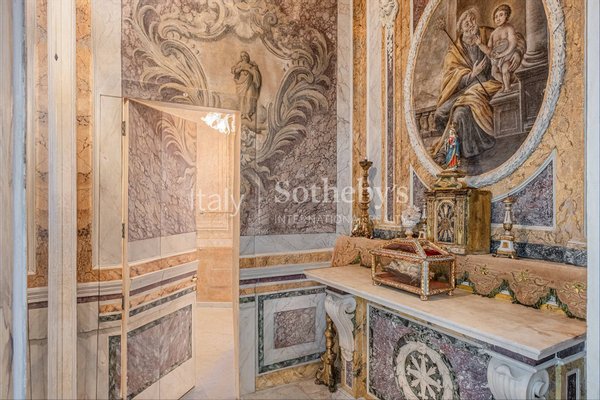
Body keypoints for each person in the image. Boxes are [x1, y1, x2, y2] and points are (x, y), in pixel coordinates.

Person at [432, 7, 524, 164]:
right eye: (466, 23)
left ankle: (446, 151)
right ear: (461, 28)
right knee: (440, 113)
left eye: (472, 20)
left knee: (460, 112)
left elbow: (515, 38)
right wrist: (472, 74)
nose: (470, 25)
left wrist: (517, 52)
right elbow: (450, 78)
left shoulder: (486, 34)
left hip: (491, 84)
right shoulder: (454, 51)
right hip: (466, 88)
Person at [476, 4, 525, 93]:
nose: (498, 18)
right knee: (494, 73)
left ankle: (507, 88)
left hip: (508, 55)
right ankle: (505, 83)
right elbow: (489, 50)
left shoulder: (509, 28)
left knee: (505, 69)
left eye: (501, 15)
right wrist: (480, 44)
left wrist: (504, 54)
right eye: (496, 17)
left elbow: (513, 44)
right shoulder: (493, 34)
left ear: (507, 16)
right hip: (497, 59)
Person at [231, 51, 262, 121]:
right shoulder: (240, 64)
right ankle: (242, 113)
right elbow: (234, 71)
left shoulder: (251, 66)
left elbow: (255, 73)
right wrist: (241, 68)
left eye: (245, 56)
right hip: (241, 84)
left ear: (247, 57)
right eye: (242, 56)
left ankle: (247, 114)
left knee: (249, 98)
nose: (244, 58)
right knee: (242, 98)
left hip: (250, 84)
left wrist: (248, 69)